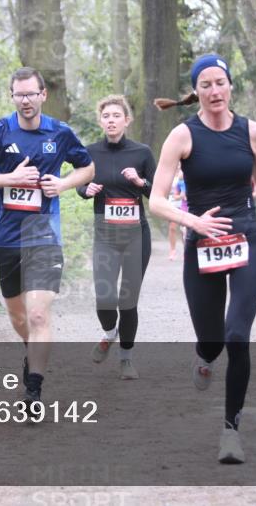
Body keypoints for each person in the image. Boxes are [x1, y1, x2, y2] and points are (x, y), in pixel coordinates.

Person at [150, 54, 256, 464]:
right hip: (202, 244)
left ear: (230, 87)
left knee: (237, 337)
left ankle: (231, 432)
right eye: (205, 84)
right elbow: (156, 200)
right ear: (198, 91)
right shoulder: (182, 137)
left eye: (220, 83)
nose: (214, 91)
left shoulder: (254, 133)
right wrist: (194, 221)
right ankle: (205, 357)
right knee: (212, 340)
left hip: (247, 240)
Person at [0, 67, 95, 410]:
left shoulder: (61, 133)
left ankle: (33, 391)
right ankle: (31, 353)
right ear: (12, 97)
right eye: (19, 95)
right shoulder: (0, 132)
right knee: (19, 318)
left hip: (44, 233)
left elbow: (87, 168)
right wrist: (9, 178)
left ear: (43, 95)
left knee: (37, 316)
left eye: (31, 94)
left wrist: (64, 184)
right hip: (7, 236)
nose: (25, 101)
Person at [77, 95, 157, 380]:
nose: (111, 120)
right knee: (104, 298)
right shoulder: (89, 152)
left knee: (128, 300)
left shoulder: (142, 152)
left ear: (127, 120)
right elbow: (80, 182)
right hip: (105, 233)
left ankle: (126, 358)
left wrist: (140, 182)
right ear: (101, 121)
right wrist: (85, 190)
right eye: (106, 116)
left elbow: (157, 192)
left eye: (116, 115)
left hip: (136, 234)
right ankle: (110, 332)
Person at [167, 166, 187, 260]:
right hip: (173, 203)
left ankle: (186, 250)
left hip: (185, 204)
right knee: (172, 227)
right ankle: (172, 250)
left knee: (184, 229)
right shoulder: (168, 173)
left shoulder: (184, 172)